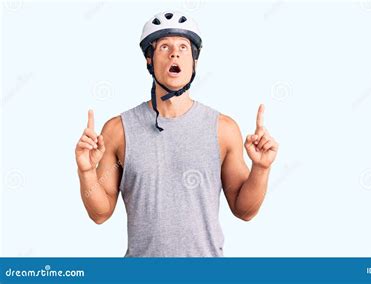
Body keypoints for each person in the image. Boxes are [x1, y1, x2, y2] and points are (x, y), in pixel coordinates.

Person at [75, 11, 279, 257]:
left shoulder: (223, 129)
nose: (175, 53)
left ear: (193, 61)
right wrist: (86, 171)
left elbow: (244, 211)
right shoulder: (118, 130)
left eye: (183, 47)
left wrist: (261, 168)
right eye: (164, 47)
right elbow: (100, 213)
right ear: (149, 59)